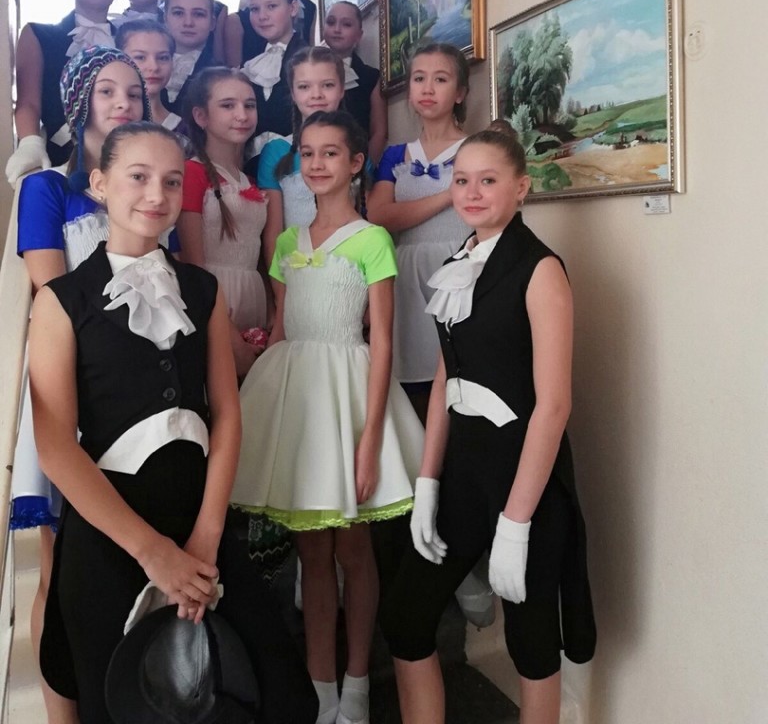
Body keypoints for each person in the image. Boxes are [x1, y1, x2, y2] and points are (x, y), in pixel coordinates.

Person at [28, 121, 318, 724]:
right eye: (138, 177)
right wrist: (153, 553)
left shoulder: (202, 289)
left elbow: (227, 414)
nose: (156, 195)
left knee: (276, 695)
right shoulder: (61, 300)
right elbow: (55, 445)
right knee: (123, 701)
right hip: (111, 532)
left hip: (199, 520)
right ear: (101, 184)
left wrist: (205, 538)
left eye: (169, 181)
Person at [380, 129, 597, 724]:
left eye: (488, 180)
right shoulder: (459, 262)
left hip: (526, 477)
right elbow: (445, 379)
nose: (471, 192)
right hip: (464, 472)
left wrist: (517, 522)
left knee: (532, 642)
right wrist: (428, 482)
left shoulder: (540, 269)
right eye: (461, 180)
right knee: (406, 618)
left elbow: (553, 406)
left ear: (520, 188)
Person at [231, 110, 423, 724]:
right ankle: (321, 688)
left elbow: (382, 341)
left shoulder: (372, 240)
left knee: (355, 552)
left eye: (330, 153)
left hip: (349, 396)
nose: (317, 163)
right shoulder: (288, 243)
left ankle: (358, 680)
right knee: (312, 556)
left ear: (355, 162)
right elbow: (282, 326)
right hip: (299, 401)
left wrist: (369, 441)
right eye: (308, 153)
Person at [13, 46, 152, 724]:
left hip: (135, 391)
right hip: (70, 378)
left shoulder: (144, 186)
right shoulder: (45, 188)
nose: (122, 102)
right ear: (79, 103)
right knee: (59, 566)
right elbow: (50, 290)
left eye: (133, 92)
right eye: (106, 91)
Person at [367, 43, 470, 422]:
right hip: (407, 279)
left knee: (461, 382)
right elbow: (379, 215)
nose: (427, 88)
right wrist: (447, 195)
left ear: (460, 92)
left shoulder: (476, 150)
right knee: (413, 391)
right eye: (419, 78)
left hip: (460, 274)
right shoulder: (396, 155)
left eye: (440, 79)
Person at [176, 67, 268, 379]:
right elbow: (193, 264)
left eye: (249, 105)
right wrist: (227, 334)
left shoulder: (250, 180)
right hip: (214, 301)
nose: (242, 115)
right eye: (228, 105)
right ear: (201, 116)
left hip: (253, 299)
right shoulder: (191, 173)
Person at [6, 0, 120, 184]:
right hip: (58, 159)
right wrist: (30, 143)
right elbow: (28, 102)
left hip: (122, 158)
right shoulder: (38, 34)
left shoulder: (128, 40)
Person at [258, 46, 345, 268]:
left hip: (348, 268)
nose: (316, 94)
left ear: (342, 89)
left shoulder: (356, 150)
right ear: (293, 93)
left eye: (327, 85)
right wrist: (278, 286)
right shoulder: (277, 151)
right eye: (304, 87)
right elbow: (273, 234)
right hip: (295, 270)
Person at [239, 0, 309, 141]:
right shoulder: (250, 66)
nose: (262, 16)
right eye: (254, 9)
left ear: (293, 8)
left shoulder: (310, 59)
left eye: (271, 6)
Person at [321, 1, 387, 166]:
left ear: (359, 34)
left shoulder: (370, 77)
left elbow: (379, 132)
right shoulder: (308, 71)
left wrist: (363, 169)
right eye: (331, 22)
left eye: (346, 24)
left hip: (356, 165)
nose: (337, 29)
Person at [115, 19, 185, 135]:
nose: (154, 67)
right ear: (118, 59)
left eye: (162, 58)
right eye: (140, 57)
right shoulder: (106, 121)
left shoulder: (183, 130)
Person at [162, 0, 220, 116]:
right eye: (178, 13)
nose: (188, 22)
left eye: (198, 14)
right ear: (165, 19)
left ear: (212, 23)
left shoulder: (220, 75)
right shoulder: (143, 64)